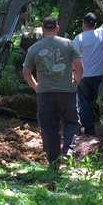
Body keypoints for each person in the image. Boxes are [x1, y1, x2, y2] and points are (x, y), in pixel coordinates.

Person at [22, 17, 82, 167]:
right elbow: (79, 66)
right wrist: (76, 82)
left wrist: (36, 87)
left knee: (49, 127)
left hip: (45, 94)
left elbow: (26, 73)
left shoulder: (34, 48)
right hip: (67, 92)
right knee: (71, 122)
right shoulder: (68, 44)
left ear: (43, 29)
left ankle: (54, 163)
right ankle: (68, 150)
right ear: (57, 28)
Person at [73, 1, 103, 134]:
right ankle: (102, 126)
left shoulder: (79, 38)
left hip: (84, 76)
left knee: (84, 103)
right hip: (99, 75)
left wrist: (73, 74)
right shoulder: (100, 33)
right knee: (99, 101)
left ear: (83, 23)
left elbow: (73, 58)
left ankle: (89, 129)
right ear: (95, 24)